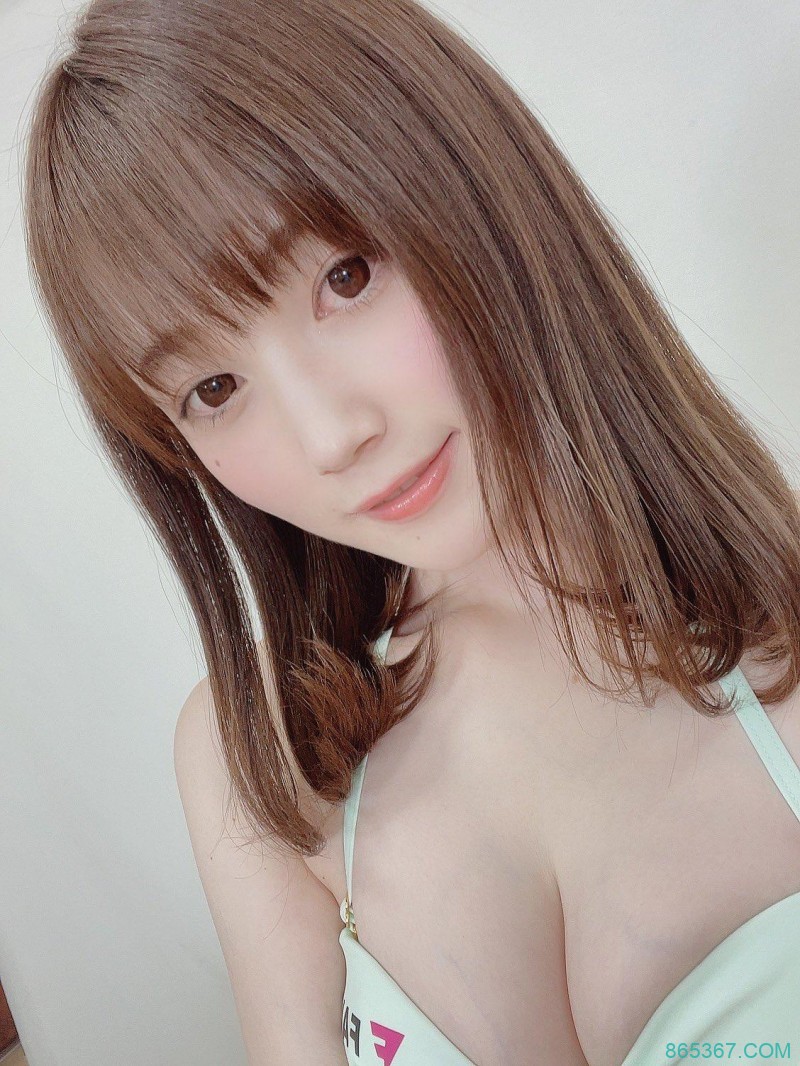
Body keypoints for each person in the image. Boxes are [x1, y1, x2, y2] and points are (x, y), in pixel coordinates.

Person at [21, 0, 800, 1063]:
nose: (330, 435)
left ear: (466, 182)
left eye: (343, 278)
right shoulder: (264, 755)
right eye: (214, 388)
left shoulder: (781, 627)